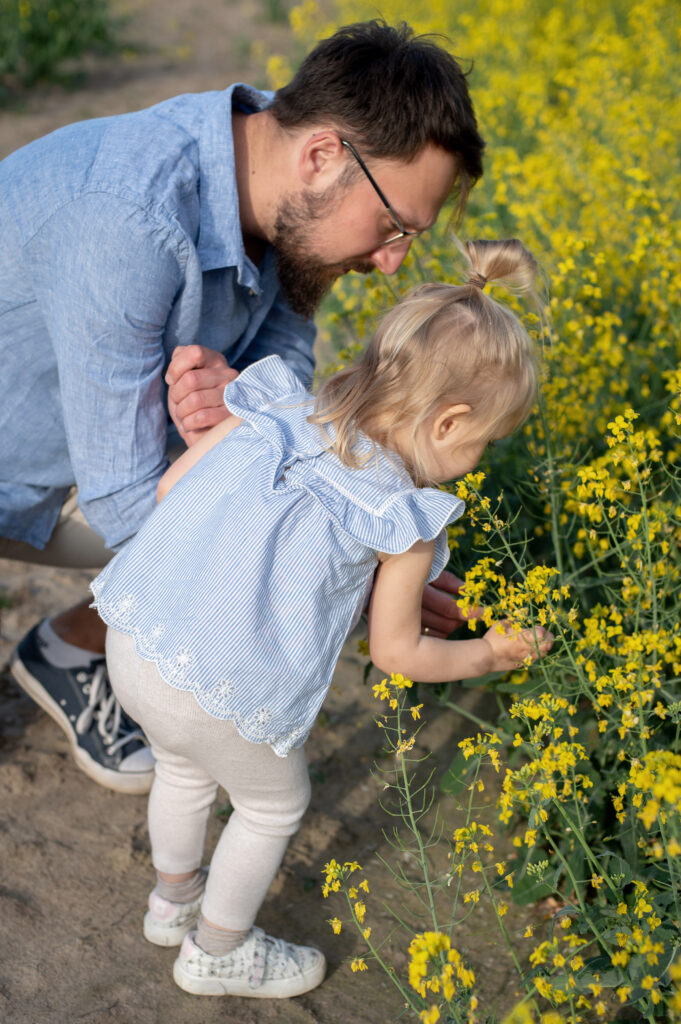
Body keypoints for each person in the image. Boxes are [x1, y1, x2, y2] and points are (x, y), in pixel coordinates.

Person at [0, 20, 486, 793]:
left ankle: (67, 648)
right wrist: (358, 571)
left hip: (88, 445)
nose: (390, 261)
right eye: (393, 226)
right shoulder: (128, 220)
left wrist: (242, 413)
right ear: (323, 154)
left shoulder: (275, 160)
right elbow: (127, 506)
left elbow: (285, 358)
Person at [89, 239, 553, 998]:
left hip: (137, 636)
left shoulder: (276, 409)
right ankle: (218, 950)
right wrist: (489, 657)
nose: (477, 459)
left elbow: (173, 491)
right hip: (224, 692)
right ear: (447, 423)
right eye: (483, 444)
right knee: (274, 805)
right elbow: (399, 653)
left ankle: (171, 901)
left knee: (179, 765)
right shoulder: (404, 517)